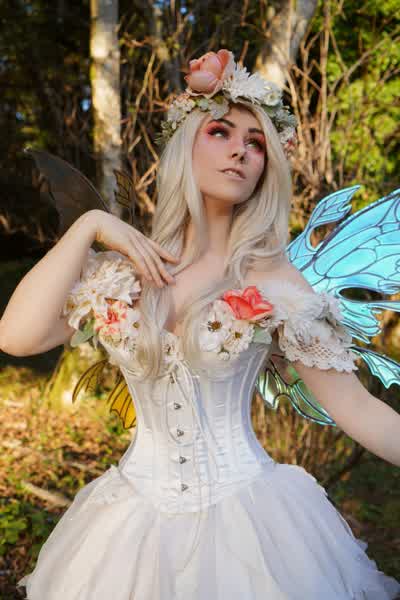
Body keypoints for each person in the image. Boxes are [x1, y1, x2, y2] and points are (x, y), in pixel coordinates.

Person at [1, 49, 399, 599]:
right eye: (220, 132)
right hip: (130, 531)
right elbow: (15, 336)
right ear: (185, 145)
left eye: (256, 143)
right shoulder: (121, 274)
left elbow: (357, 408)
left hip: (250, 526)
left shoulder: (273, 279)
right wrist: (89, 226)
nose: (241, 150)